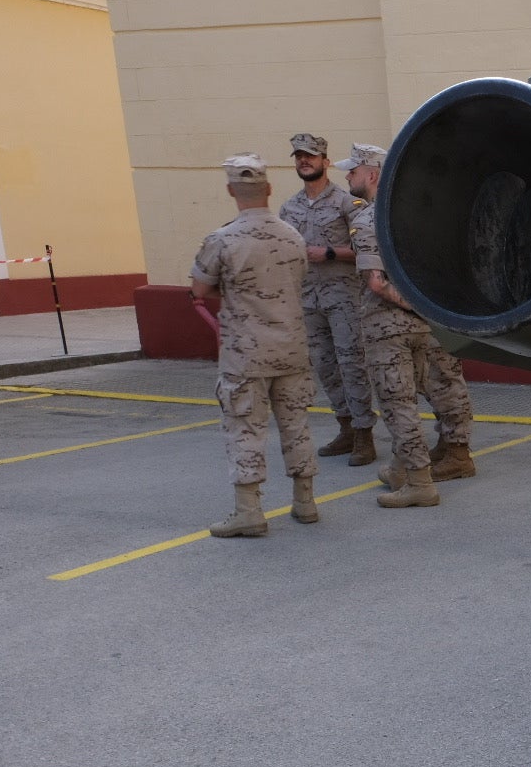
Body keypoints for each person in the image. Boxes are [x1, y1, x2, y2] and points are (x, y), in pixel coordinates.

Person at [333, 144, 476, 508]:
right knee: (433, 388)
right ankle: (402, 467)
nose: (347, 175)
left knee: (398, 403)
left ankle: (418, 481)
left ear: (373, 174)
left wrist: (409, 306)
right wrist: (425, 310)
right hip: (427, 324)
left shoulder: (367, 220)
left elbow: (377, 283)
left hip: (388, 326)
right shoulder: (418, 214)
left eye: (353, 170)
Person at [189, 154, 320, 536]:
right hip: (292, 348)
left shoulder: (222, 239)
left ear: (231, 190)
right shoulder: (294, 236)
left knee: (245, 429)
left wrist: (234, 290)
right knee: (297, 426)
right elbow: (298, 281)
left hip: (246, 354)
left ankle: (249, 511)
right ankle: (306, 502)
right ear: (269, 190)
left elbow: (198, 289)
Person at [279, 133, 377, 466]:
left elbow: (368, 250)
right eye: (298, 157)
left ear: (325, 161)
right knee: (324, 365)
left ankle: (365, 432)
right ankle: (346, 427)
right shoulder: (289, 207)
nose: (304, 161)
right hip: (308, 299)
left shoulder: (347, 203)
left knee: (352, 363)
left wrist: (331, 252)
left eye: (310, 156)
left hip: (344, 297)